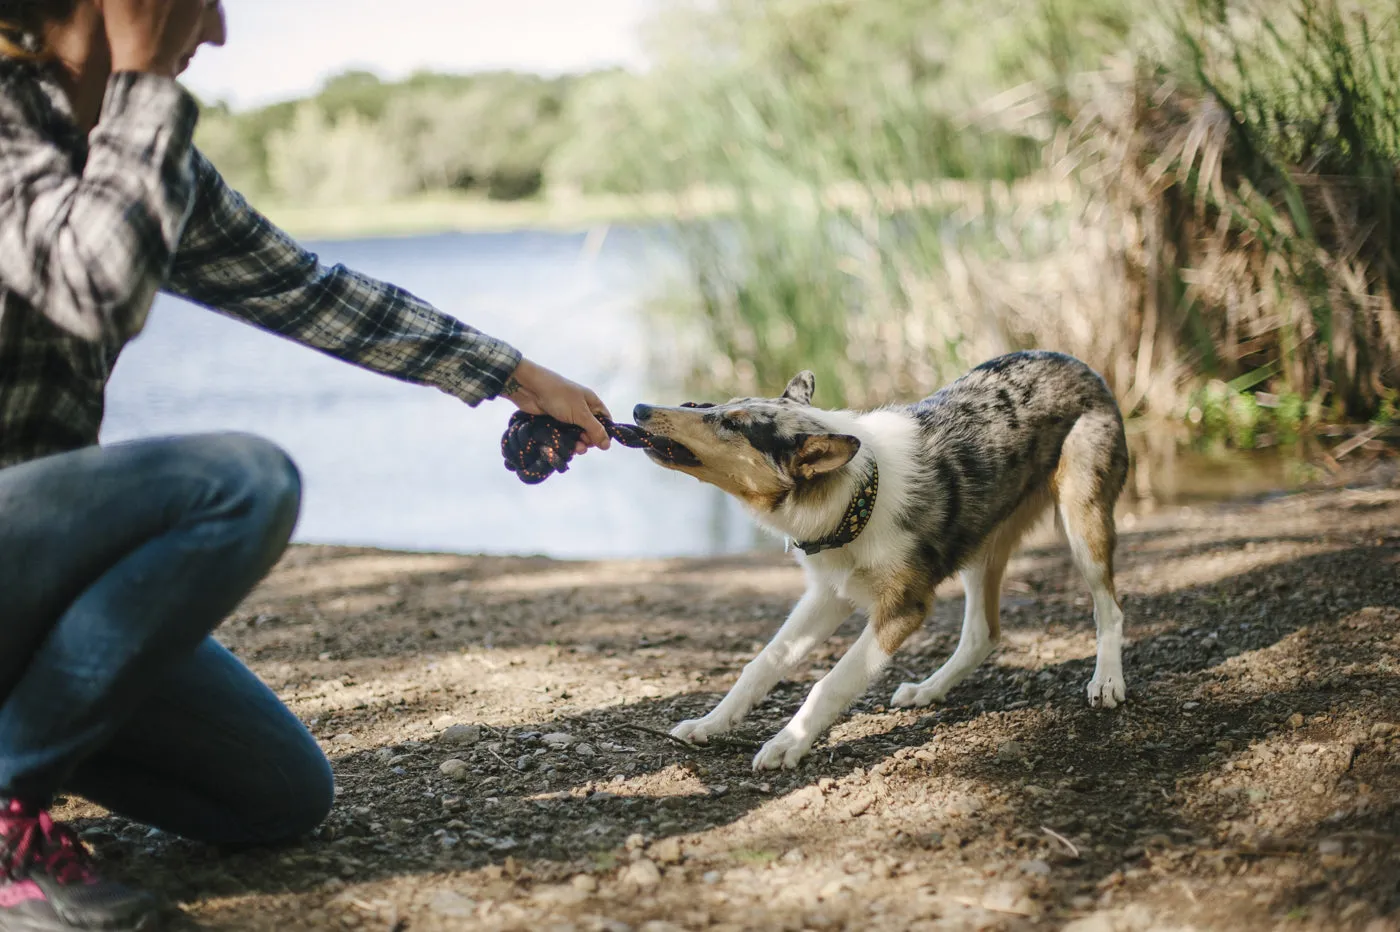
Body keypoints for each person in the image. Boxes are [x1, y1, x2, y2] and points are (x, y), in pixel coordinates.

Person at [0, 1, 614, 928]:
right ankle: (10, 804)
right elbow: (88, 288)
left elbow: (304, 288)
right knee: (237, 485)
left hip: (21, 586)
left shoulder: (134, 148)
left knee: (273, 795)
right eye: (197, 5)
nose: (213, 36)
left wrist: (517, 376)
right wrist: (143, 86)